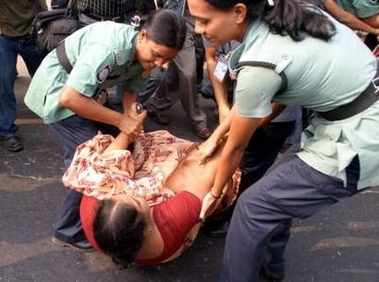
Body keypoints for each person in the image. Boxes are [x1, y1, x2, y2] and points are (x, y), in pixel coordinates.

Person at [187, 0, 379, 282]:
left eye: (205, 20)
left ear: (239, 12)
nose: (199, 29)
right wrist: (215, 137)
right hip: (344, 116)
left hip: (359, 137)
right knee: (271, 192)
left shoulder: (260, 62)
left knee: (252, 207)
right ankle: (269, 267)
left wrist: (214, 196)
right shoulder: (289, 14)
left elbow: (238, 147)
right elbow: (270, 95)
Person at [24, 9, 187, 251]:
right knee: (92, 162)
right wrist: (122, 122)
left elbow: (131, 90)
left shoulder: (147, 53)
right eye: (157, 56)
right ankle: (67, 229)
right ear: (142, 35)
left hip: (86, 93)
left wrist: (132, 117)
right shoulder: (109, 48)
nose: (159, 64)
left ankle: (108, 202)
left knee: (126, 143)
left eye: (166, 59)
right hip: (58, 92)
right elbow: (70, 98)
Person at [62, 129, 240, 266]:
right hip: (163, 246)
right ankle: (217, 219)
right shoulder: (170, 222)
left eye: (125, 193)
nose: (133, 191)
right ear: (147, 226)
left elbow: (113, 156)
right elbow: (220, 159)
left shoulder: (93, 199)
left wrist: (128, 129)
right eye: (138, 199)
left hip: (129, 244)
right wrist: (224, 131)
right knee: (206, 172)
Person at [143, 0, 212, 139]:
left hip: (209, 17)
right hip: (183, 18)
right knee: (188, 72)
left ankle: (157, 105)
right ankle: (198, 120)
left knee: (178, 69)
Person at [0, 0, 47, 152]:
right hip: (5, 38)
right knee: (4, 82)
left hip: (30, 36)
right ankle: (6, 130)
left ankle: (60, 115)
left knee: (45, 78)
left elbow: (42, 9)